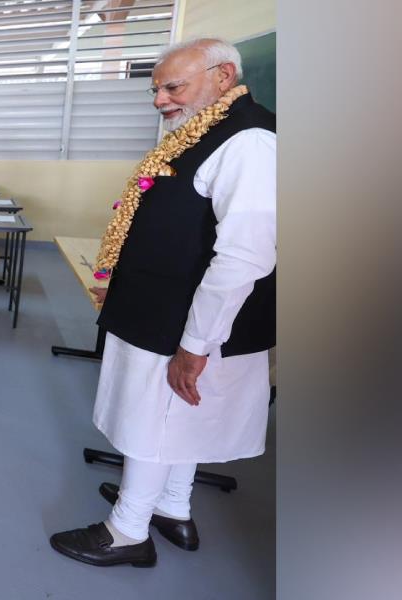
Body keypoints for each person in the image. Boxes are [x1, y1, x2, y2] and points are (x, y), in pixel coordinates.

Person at [49, 38, 276, 569]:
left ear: (222, 77)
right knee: (178, 422)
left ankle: (127, 530)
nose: (160, 100)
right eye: (157, 89)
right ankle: (172, 507)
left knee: (155, 422)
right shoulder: (205, 135)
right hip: (164, 310)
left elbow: (245, 254)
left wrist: (197, 345)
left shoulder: (249, 142)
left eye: (173, 87)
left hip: (187, 324)